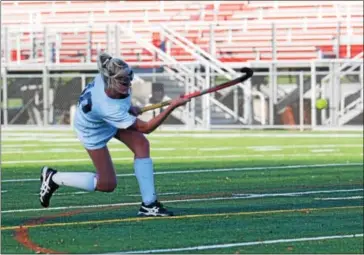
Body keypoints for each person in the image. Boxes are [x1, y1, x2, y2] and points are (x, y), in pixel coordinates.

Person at [39, 52, 189, 217]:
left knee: (141, 145)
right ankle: (53, 177)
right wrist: (172, 107)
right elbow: (146, 127)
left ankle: (149, 204)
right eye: (123, 81)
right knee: (107, 184)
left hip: (106, 119)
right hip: (92, 131)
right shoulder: (107, 106)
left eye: (129, 79)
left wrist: (129, 108)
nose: (128, 83)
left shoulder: (110, 82)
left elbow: (120, 105)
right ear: (110, 80)